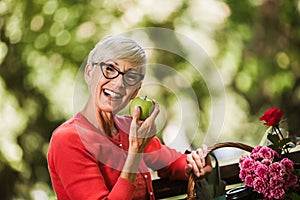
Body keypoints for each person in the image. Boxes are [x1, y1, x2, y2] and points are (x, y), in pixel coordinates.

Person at [47, 35, 212, 200]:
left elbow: (171, 163)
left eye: (130, 77)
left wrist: (195, 163)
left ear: (136, 91)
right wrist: (135, 152)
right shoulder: (68, 139)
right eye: (110, 68)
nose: (119, 83)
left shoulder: (129, 127)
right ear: (89, 73)